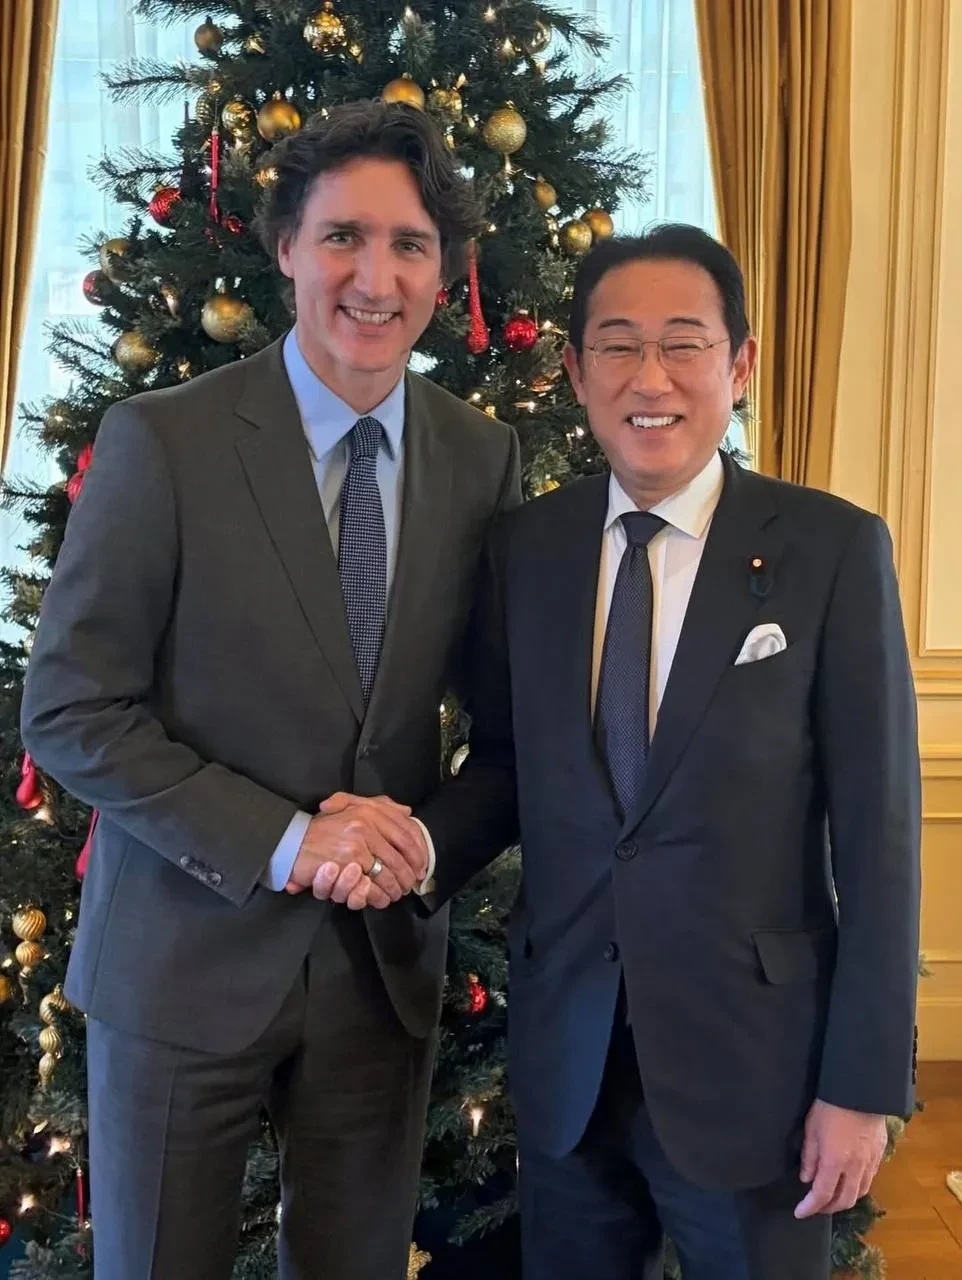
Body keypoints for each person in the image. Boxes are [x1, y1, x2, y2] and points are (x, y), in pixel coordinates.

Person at [320, 224, 921, 1278]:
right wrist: (412, 848)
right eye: (617, 345)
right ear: (574, 368)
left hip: (759, 1076)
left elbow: (880, 839)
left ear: (738, 364)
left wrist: (861, 1086)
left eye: (684, 344)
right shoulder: (527, 549)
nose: (651, 378)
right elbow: (509, 763)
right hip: (571, 1064)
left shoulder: (831, 549)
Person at [20, 100, 519, 1280]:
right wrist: (289, 840)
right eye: (343, 235)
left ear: (441, 270)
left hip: (378, 972)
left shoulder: (478, 456)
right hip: (179, 960)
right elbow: (74, 708)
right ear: (286, 246)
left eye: (408, 245)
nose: (375, 278)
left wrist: (416, 848)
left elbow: (509, 737)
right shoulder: (163, 440)